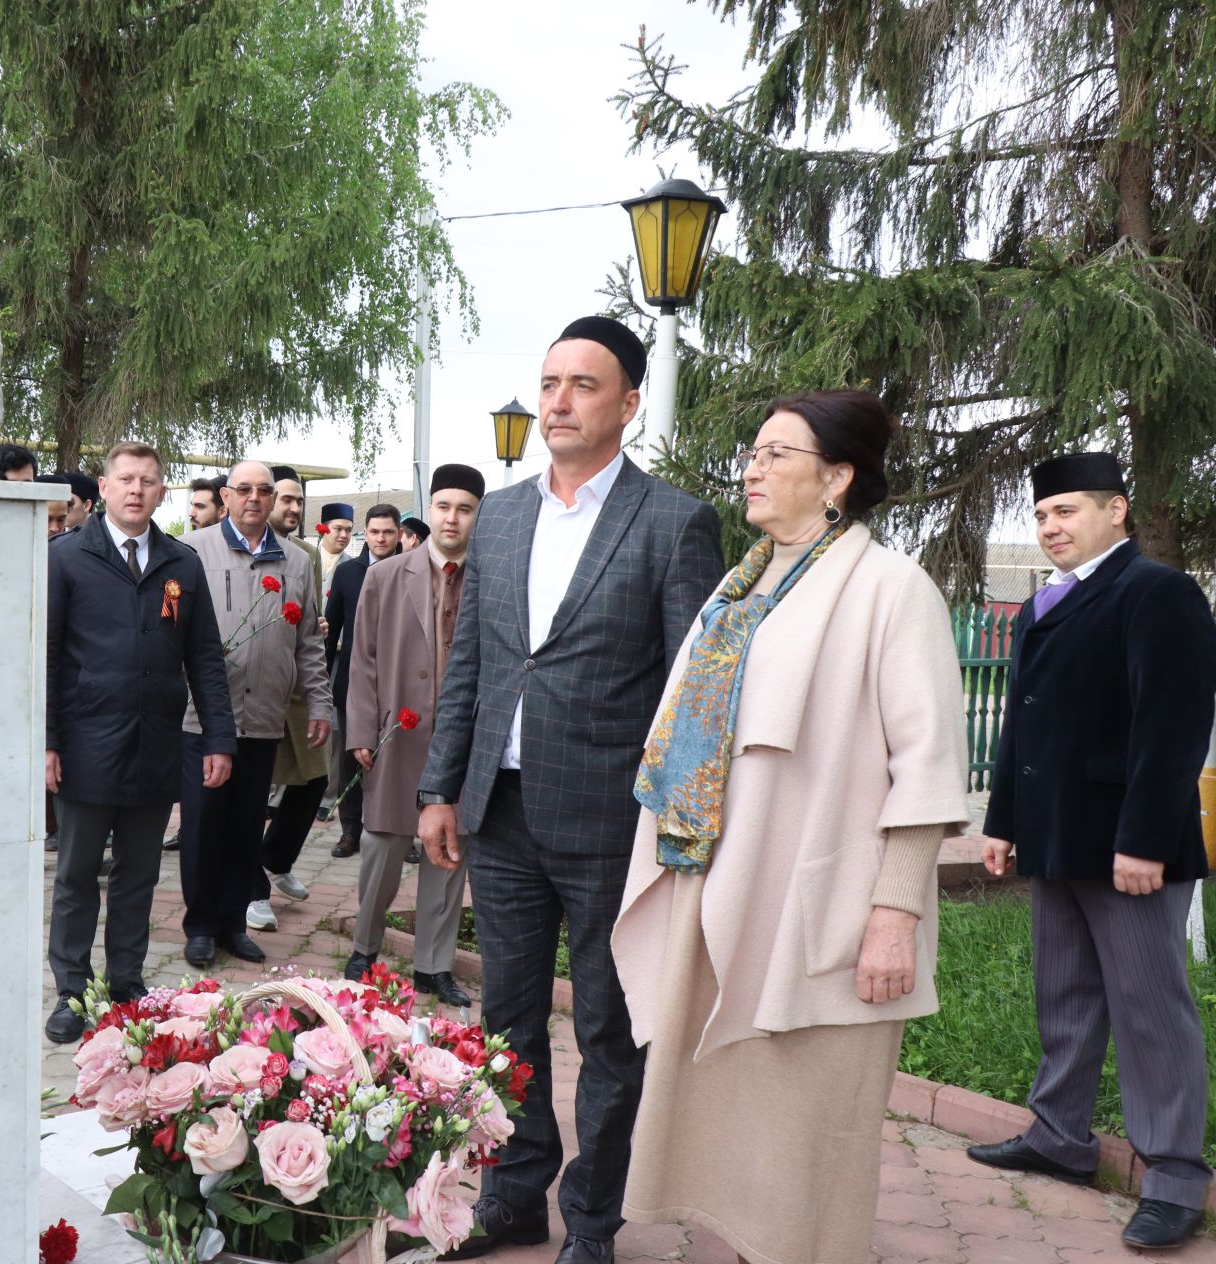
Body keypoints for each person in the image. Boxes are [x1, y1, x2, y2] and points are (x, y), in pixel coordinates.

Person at [611, 391, 969, 1264]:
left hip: (824, 910)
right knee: (732, 1128)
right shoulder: (741, 589)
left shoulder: (892, 589)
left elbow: (926, 767)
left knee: (807, 1139)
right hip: (721, 884)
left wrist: (894, 914)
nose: (753, 467)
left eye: (777, 454)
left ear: (837, 477)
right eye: (754, 451)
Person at [416, 316, 723, 1264]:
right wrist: (439, 788)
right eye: (549, 381)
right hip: (499, 814)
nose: (558, 400)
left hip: (610, 825)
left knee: (607, 1029)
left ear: (628, 404)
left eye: (583, 385)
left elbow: (688, 690)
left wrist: (680, 828)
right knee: (504, 1017)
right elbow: (471, 662)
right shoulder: (501, 515)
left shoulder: (674, 522)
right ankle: (514, 1194)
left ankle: (593, 1218)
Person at [970, 452, 1216, 1249]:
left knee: (1151, 1012)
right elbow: (1026, 725)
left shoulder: (1158, 592)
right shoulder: (1047, 605)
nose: (1051, 528)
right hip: (1055, 835)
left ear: (1117, 510)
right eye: (1042, 516)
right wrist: (1004, 822)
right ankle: (1059, 1135)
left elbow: (1173, 725)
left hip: (1129, 846)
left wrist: (1144, 839)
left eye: (1067, 512)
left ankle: (1175, 1177)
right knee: (1065, 994)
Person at [44, 443, 236, 1043]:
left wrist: (219, 738)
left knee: (139, 875)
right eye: (125, 479)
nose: (135, 490)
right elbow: (46, 657)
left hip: (154, 746)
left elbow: (204, 657)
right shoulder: (68, 557)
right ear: (102, 488)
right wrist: (47, 741)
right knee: (77, 876)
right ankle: (73, 991)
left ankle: (125, 985)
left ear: (161, 492)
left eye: (147, 482)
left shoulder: (181, 563)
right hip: (85, 744)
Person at [178, 461, 332, 968]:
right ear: (225, 496)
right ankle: (200, 925)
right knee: (203, 824)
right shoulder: (194, 550)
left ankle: (232, 923)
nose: (254, 499)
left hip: (264, 714)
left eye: (264, 491)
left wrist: (320, 702)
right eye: (243, 490)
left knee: (247, 827)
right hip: (203, 718)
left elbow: (309, 641)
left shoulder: (296, 560)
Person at [344, 467, 485, 1005]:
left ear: (477, 515)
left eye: (465, 508)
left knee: (449, 856)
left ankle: (433, 965)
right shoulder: (385, 576)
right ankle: (365, 948)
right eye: (444, 505)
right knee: (381, 849)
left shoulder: (490, 579)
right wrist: (361, 728)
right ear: (430, 509)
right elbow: (361, 660)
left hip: (462, 741)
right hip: (395, 738)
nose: (452, 517)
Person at [250, 465, 328, 932]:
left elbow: (310, 622)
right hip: (252, 691)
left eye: (299, 501)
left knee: (314, 779)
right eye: (287, 500)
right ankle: (251, 890)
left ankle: (274, 859)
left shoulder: (304, 556)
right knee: (253, 791)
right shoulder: (231, 547)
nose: (294, 509)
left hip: (297, 689)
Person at [324, 503, 402, 858]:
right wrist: (322, 681)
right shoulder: (347, 574)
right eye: (375, 532)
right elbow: (330, 631)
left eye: (388, 532)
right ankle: (350, 831)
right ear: (365, 534)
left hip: (401, 683)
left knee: (398, 757)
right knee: (350, 757)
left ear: (399, 534)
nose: (381, 538)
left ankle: (399, 832)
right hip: (354, 683)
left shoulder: (414, 570)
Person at [315, 502, 355, 591]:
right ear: (324, 529)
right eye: (338, 529)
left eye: (348, 530)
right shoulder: (307, 558)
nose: (344, 535)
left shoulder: (354, 567)